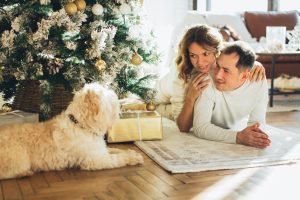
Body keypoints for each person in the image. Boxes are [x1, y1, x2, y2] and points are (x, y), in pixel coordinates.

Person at [155, 24, 265, 132]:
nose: (200, 62)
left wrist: (256, 64)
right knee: (154, 107)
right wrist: (190, 97)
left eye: (205, 54)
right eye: (193, 55)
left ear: (216, 51)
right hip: (161, 93)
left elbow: (242, 53)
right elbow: (183, 127)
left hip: (177, 97)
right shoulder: (181, 74)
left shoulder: (222, 52)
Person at [193, 41, 271, 149]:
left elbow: (257, 122)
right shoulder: (207, 80)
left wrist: (254, 136)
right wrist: (237, 137)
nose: (218, 76)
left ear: (244, 76)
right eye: (218, 66)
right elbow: (200, 127)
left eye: (226, 70)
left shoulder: (257, 79)